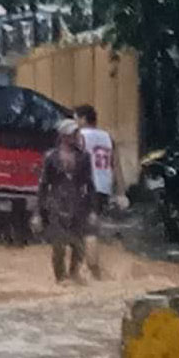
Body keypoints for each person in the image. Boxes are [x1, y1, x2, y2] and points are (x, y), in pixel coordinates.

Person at [32, 119, 96, 284]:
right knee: (59, 246)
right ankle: (60, 278)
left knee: (78, 245)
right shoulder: (51, 157)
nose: (77, 137)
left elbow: (89, 186)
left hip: (78, 205)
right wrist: (38, 213)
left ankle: (74, 273)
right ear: (64, 136)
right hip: (57, 205)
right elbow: (44, 185)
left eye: (77, 133)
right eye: (74, 134)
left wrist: (92, 211)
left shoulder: (84, 157)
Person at [75, 105, 127, 280]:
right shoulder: (108, 138)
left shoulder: (80, 137)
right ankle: (88, 267)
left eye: (76, 118)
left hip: (85, 187)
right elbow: (116, 166)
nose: (75, 122)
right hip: (103, 188)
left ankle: (94, 272)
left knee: (87, 231)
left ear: (83, 119)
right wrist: (121, 192)